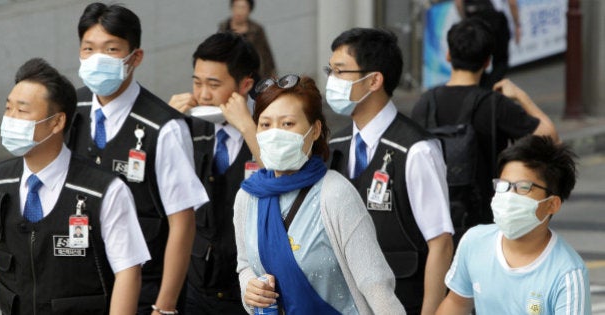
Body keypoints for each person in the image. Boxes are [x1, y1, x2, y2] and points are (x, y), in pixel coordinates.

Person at [0, 58, 150, 314]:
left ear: (57, 123)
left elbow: (128, 273)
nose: (11, 119)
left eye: (22, 111)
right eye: (8, 109)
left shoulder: (105, 190)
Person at [66, 3, 209, 314]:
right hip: (79, 289)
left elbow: (182, 223)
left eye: (112, 49)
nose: (97, 59)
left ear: (136, 57)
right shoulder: (67, 109)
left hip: (145, 290)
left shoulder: (165, 127)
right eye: (88, 48)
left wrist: (166, 305)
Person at [234, 74, 406, 314]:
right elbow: (245, 266)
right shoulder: (248, 197)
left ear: (314, 131)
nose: (275, 133)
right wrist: (249, 290)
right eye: (265, 124)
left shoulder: (335, 194)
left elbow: (375, 285)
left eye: (287, 124)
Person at [325, 28, 454, 315]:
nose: (331, 81)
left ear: (374, 80)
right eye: (330, 71)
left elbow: (441, 243)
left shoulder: (416, 149)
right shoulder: (336, 144)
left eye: (340, 72)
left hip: (402, 302)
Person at [411, 18, 558, 236]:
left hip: (431, 222)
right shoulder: (495, 104)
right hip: (483, 220)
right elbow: (550, 136)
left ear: (448, 55)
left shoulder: (425, 103)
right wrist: (521, 96)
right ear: (488, 62)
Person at [436, 135, 592, 314]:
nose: (509, 196)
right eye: (504, 185)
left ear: (551, 204)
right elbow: (456, 303)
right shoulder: (474, 242)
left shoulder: (568, 274)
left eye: (523, 187)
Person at [167, 32, 260, 314]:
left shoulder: (269, 125)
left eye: (213, 84)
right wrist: (164, 126)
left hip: (251, 289)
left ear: (245, 84)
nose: (203, 94)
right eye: (197, 82)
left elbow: (289, 181)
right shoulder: (187, 126)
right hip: (195, 285)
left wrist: (249, 129)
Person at [454, 0, 521, 88]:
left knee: (477, 62)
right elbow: (512, 3)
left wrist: (466, 20)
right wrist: (517, 24)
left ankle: (485, 89)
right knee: (501, 61)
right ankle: (490, 88)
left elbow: (458, 4)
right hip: (495, 17)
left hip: (473, 17)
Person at [219, 0, 277, 80]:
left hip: (253, 75)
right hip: (231, 75)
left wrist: (271, 73)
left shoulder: (256, 29)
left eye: (243, 8)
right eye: (237, 7)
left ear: (249, 10)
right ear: (232, 8)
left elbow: (266, 54)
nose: (239, 11)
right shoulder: (224, 28)